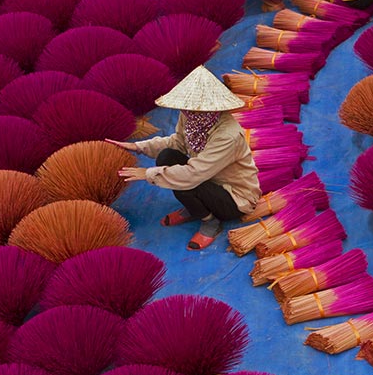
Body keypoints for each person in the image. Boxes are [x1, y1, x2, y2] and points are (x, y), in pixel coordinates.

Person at [108, 65, 261, 251]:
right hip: (207, 179)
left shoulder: (227, 136)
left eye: (194, 110)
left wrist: (147, 173)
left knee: (181, 179)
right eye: (187, 108)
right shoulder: (190, 117)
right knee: (167, 157)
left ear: (211, 108)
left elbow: (193, 174)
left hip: (233, 198)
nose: (188, 113)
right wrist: (138, 147)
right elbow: (177, 142)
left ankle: (210, 222)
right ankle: (195, 209)